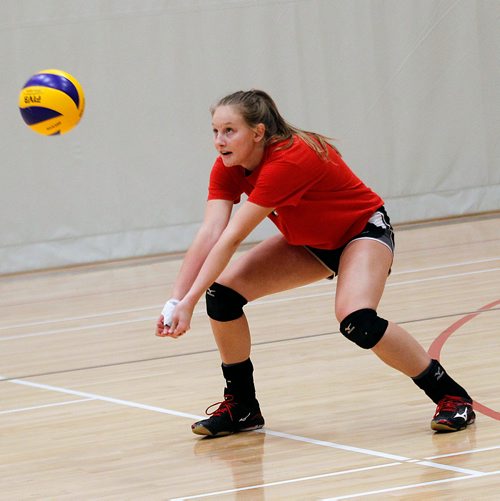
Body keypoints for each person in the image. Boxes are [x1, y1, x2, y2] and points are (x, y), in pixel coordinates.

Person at [155, 89, 475, 437]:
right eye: (215, 131)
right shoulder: (228, 165)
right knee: (222, 295)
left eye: (229, 130)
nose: (219, 140)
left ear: (258, 132)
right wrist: (177, 299)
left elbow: (231, 238)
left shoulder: (289, 159)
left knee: (358, 321)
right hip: (310, 243)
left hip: (361, 231)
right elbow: (210, 232)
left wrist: (188, 303)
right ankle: (243, 408)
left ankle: (452, 396)